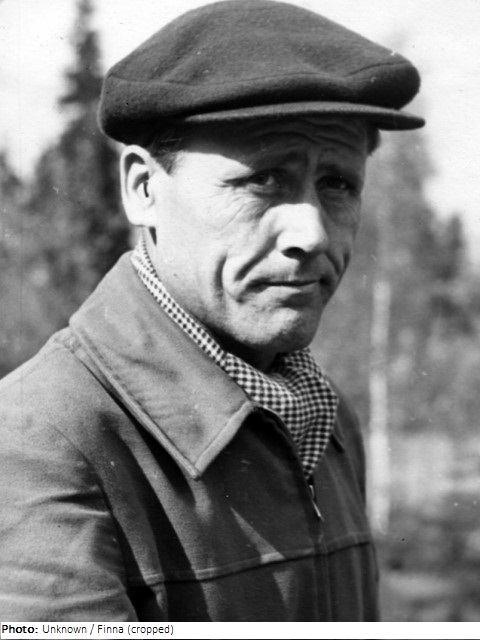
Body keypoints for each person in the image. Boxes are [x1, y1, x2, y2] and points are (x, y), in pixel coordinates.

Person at [0, 0, 424, 622]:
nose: (311, 233)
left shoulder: (325, 414)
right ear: (144, 189)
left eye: (337, 184)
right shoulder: (38, 441)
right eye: (263, 180)